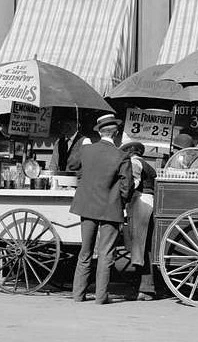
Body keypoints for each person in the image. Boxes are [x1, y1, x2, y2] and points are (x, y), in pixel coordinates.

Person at [68, 114, 133, 304]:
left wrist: (83, 145)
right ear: (117, 134)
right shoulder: (122, 156)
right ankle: (100, 297)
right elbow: (126, 186)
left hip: (87, 206)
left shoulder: (86, 149)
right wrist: (120, 201)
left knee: (85, 252)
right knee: (106, 254)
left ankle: (78, 295)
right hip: (110, 209)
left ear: (100, 131)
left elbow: (71, 164)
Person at [120, 140, 156, 301]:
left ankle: (145, 288)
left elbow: (132, 184)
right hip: (148, 202)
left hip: (140, 202)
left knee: (138, 244)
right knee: (144, 246)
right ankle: (145, 287)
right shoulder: (146, 163)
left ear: (129, 152)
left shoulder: (134, 163)